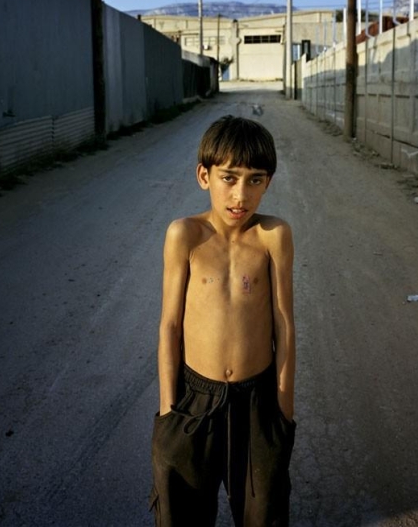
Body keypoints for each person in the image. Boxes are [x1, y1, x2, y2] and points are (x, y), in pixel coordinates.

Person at [150, 115, 296, 527]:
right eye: (229, 178)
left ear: (268, 182)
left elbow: (284, 324)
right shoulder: (185, 235)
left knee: (263, 512)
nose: (240, 195)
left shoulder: (273, 236)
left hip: (258, 400)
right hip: (194, 400)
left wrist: (283, 413)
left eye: (254, 180)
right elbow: (170, 326)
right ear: (204, 176)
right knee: (183, 514)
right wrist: (169, 412)